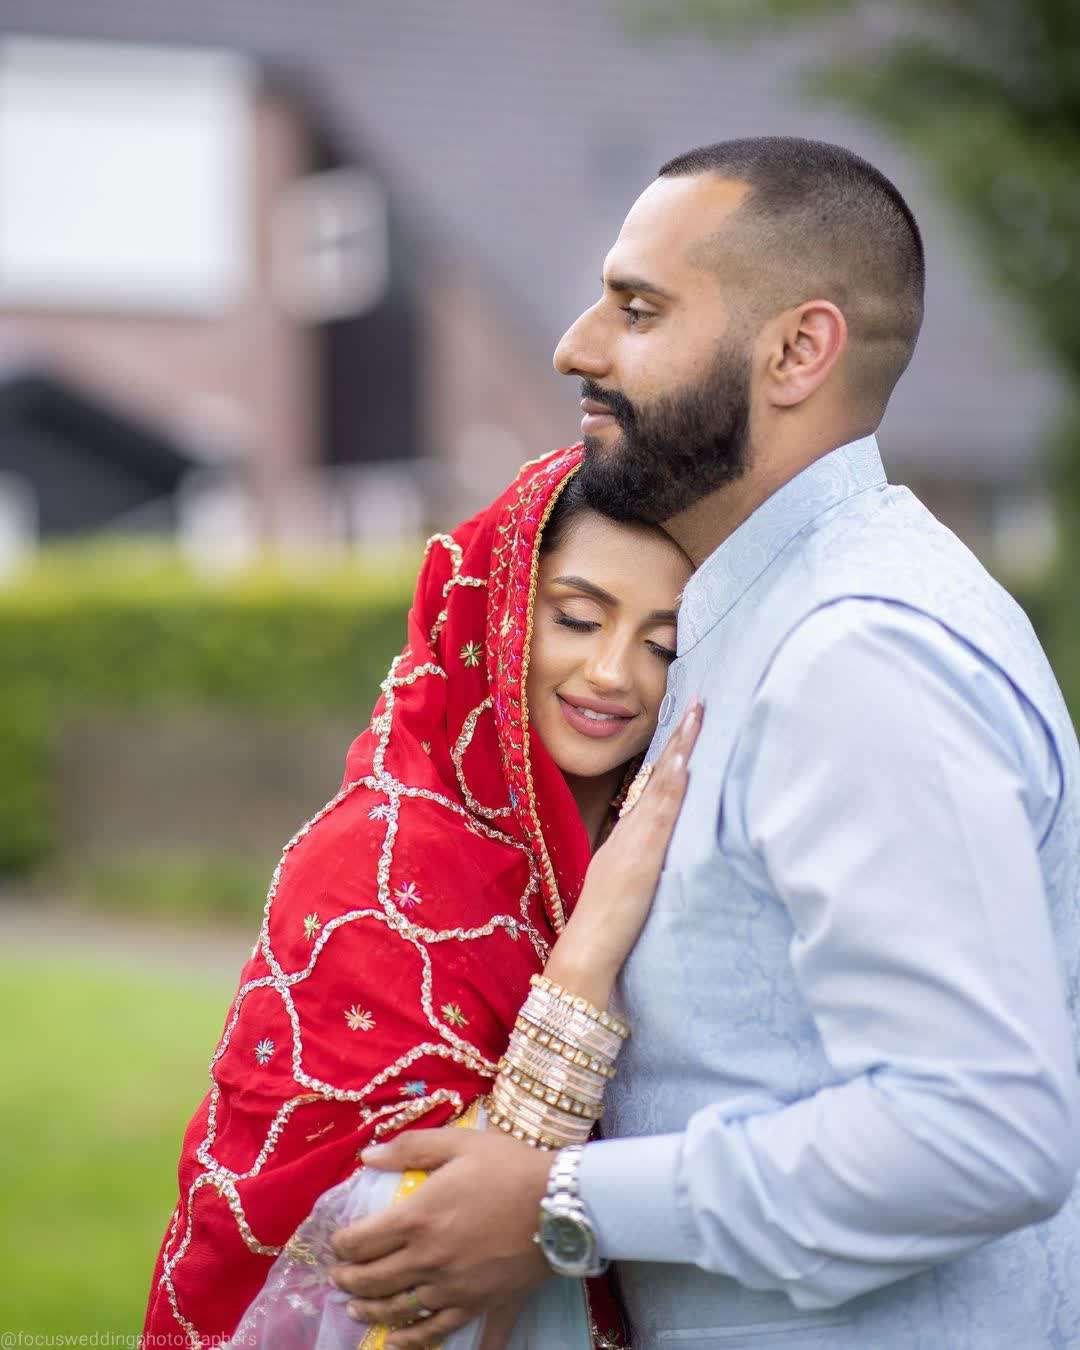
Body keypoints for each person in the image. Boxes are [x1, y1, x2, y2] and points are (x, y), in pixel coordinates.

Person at [327, 137, 1080, 1350]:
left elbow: (979, 1132)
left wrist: (564, 1204)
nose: (575, 346)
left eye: (638, 310)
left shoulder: (857, 652)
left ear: (797, 352)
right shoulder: (757, 617)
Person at [141, 448, 698, 1348]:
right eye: (578, 618)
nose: (611, 671)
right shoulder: (371, 864)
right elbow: (397, 1267)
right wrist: (587, 957)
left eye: (662, 644)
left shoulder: (689, 839)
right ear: (500, 611)